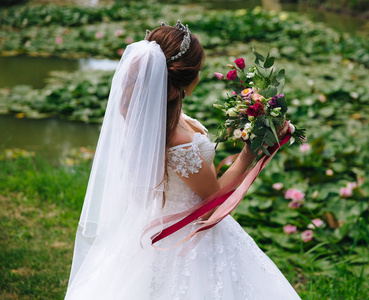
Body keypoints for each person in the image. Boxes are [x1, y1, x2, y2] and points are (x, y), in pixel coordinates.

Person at [65, 20, 301, 300]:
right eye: (199, 71)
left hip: (161, 218)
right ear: (185, 79)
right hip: (189, 233)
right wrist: (250, 153)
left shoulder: (159, 119)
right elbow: (213, 202)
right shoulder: (177, 140)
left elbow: (197, 173)